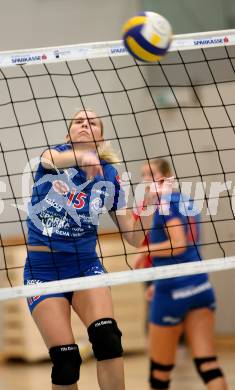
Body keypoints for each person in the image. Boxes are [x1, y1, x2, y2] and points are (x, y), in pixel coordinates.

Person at [24, 109, 148, 390]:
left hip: (85, 266)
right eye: (79, 121)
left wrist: (152, 207)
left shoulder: (111, 176)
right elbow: (48, 157)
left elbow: (133, 236)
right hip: (43, 271)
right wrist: (84, 157)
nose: (84, 124)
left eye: (92, 122)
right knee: (66, 362)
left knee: (108, 340)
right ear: (68, 135)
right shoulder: (53, 159)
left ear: (101, 138)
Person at [133, 158, 228, 390]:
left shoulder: (166, 204)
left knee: (160, 372)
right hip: (200, 286)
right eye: (144, 175)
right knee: (208, 364)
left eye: (151, 174)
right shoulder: (186, 201)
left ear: (166, 177)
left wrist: (145, 251)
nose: (146, 180)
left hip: (172, 291)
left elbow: (179, 244)